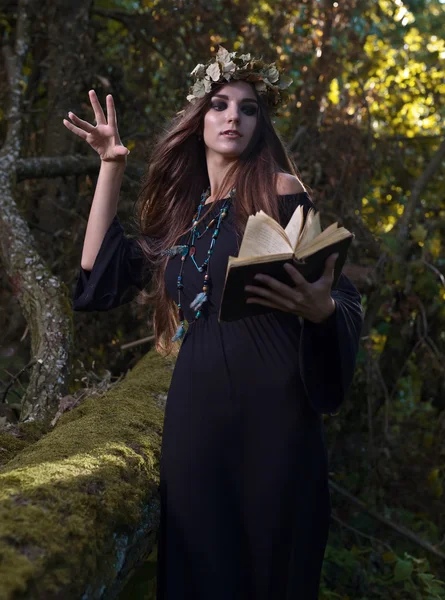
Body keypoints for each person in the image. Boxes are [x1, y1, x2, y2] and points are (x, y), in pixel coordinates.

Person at [65, 46, 363, 600]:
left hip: (275, 416)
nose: (233, 117)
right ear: (198, 120)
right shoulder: (187, 214)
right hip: (196, 416)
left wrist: (323, 311)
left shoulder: (279, 191)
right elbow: (98, 272)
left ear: (259, 125)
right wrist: (111, 166)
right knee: (198, 568)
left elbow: (337, 290)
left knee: (266, 568)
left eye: (248, 109)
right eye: (220, 104)